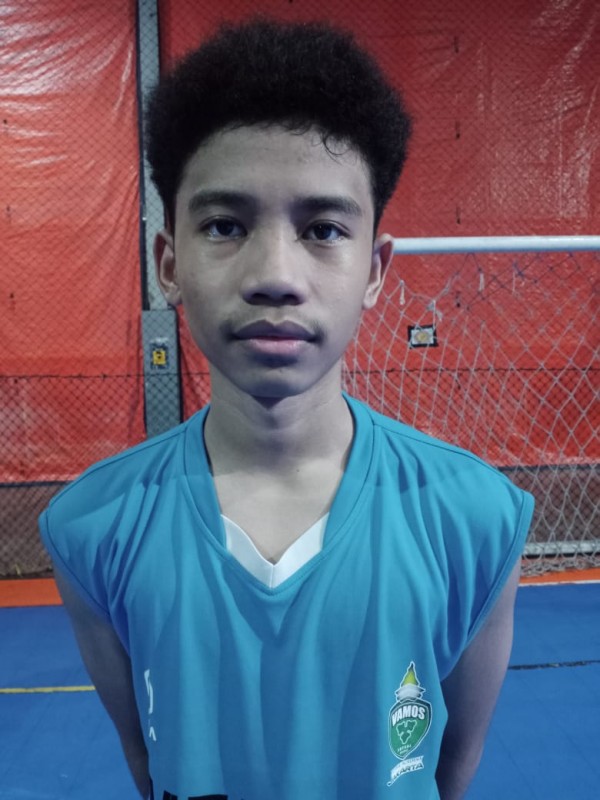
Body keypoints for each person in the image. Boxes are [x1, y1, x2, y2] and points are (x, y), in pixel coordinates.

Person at [40, 17, 534, 800]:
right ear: (168, 263)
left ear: (374, 272)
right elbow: (148, 759)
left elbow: (450, 767)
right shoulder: (92, 528)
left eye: (323, 229)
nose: (275, 274)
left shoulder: (478, 519)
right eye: (225, 226)